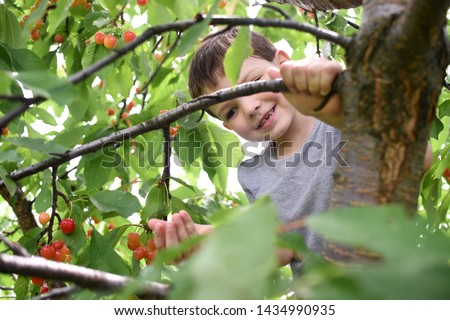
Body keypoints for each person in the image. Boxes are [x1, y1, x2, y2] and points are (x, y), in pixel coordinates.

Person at [147, 27, 431, 269]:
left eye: (254, 83)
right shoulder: (253, 174)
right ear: (228, 127)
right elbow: (278, 247)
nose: (250, 107)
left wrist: (338, 108)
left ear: (283, 63)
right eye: (230, 111)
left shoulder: (343, 117)